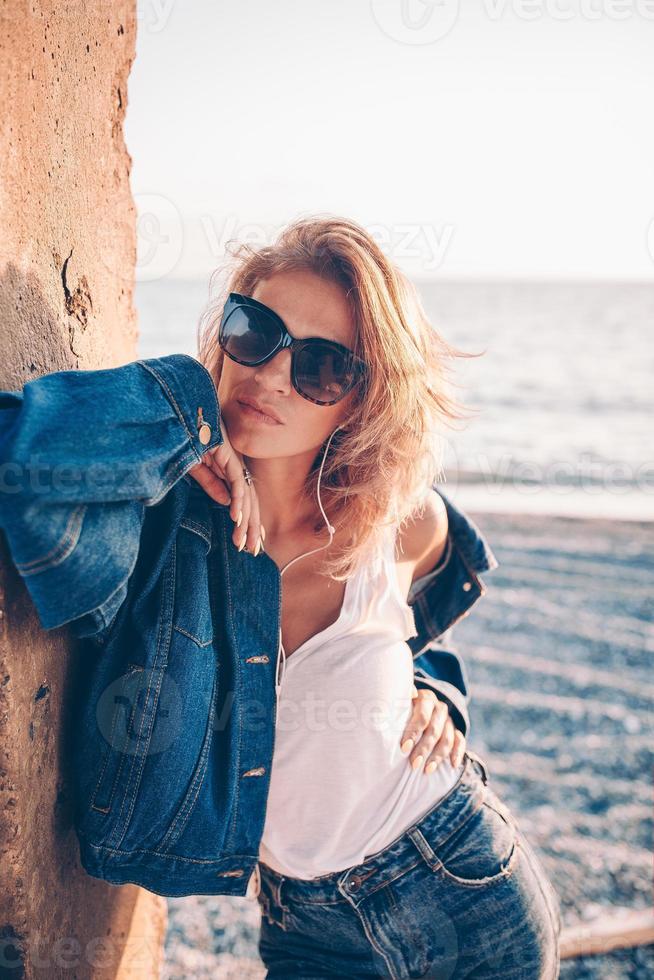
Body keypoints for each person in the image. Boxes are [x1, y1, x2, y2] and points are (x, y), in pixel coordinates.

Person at [188, 216, 562, 978]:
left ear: (361, 399)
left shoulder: (397, 522)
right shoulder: (171, 527)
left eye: (322, 367)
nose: (271, 375)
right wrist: (174, 416)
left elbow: (420, 615)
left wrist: (432, 688)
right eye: (254, 332)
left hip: (461, 880)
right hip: (303, 924)